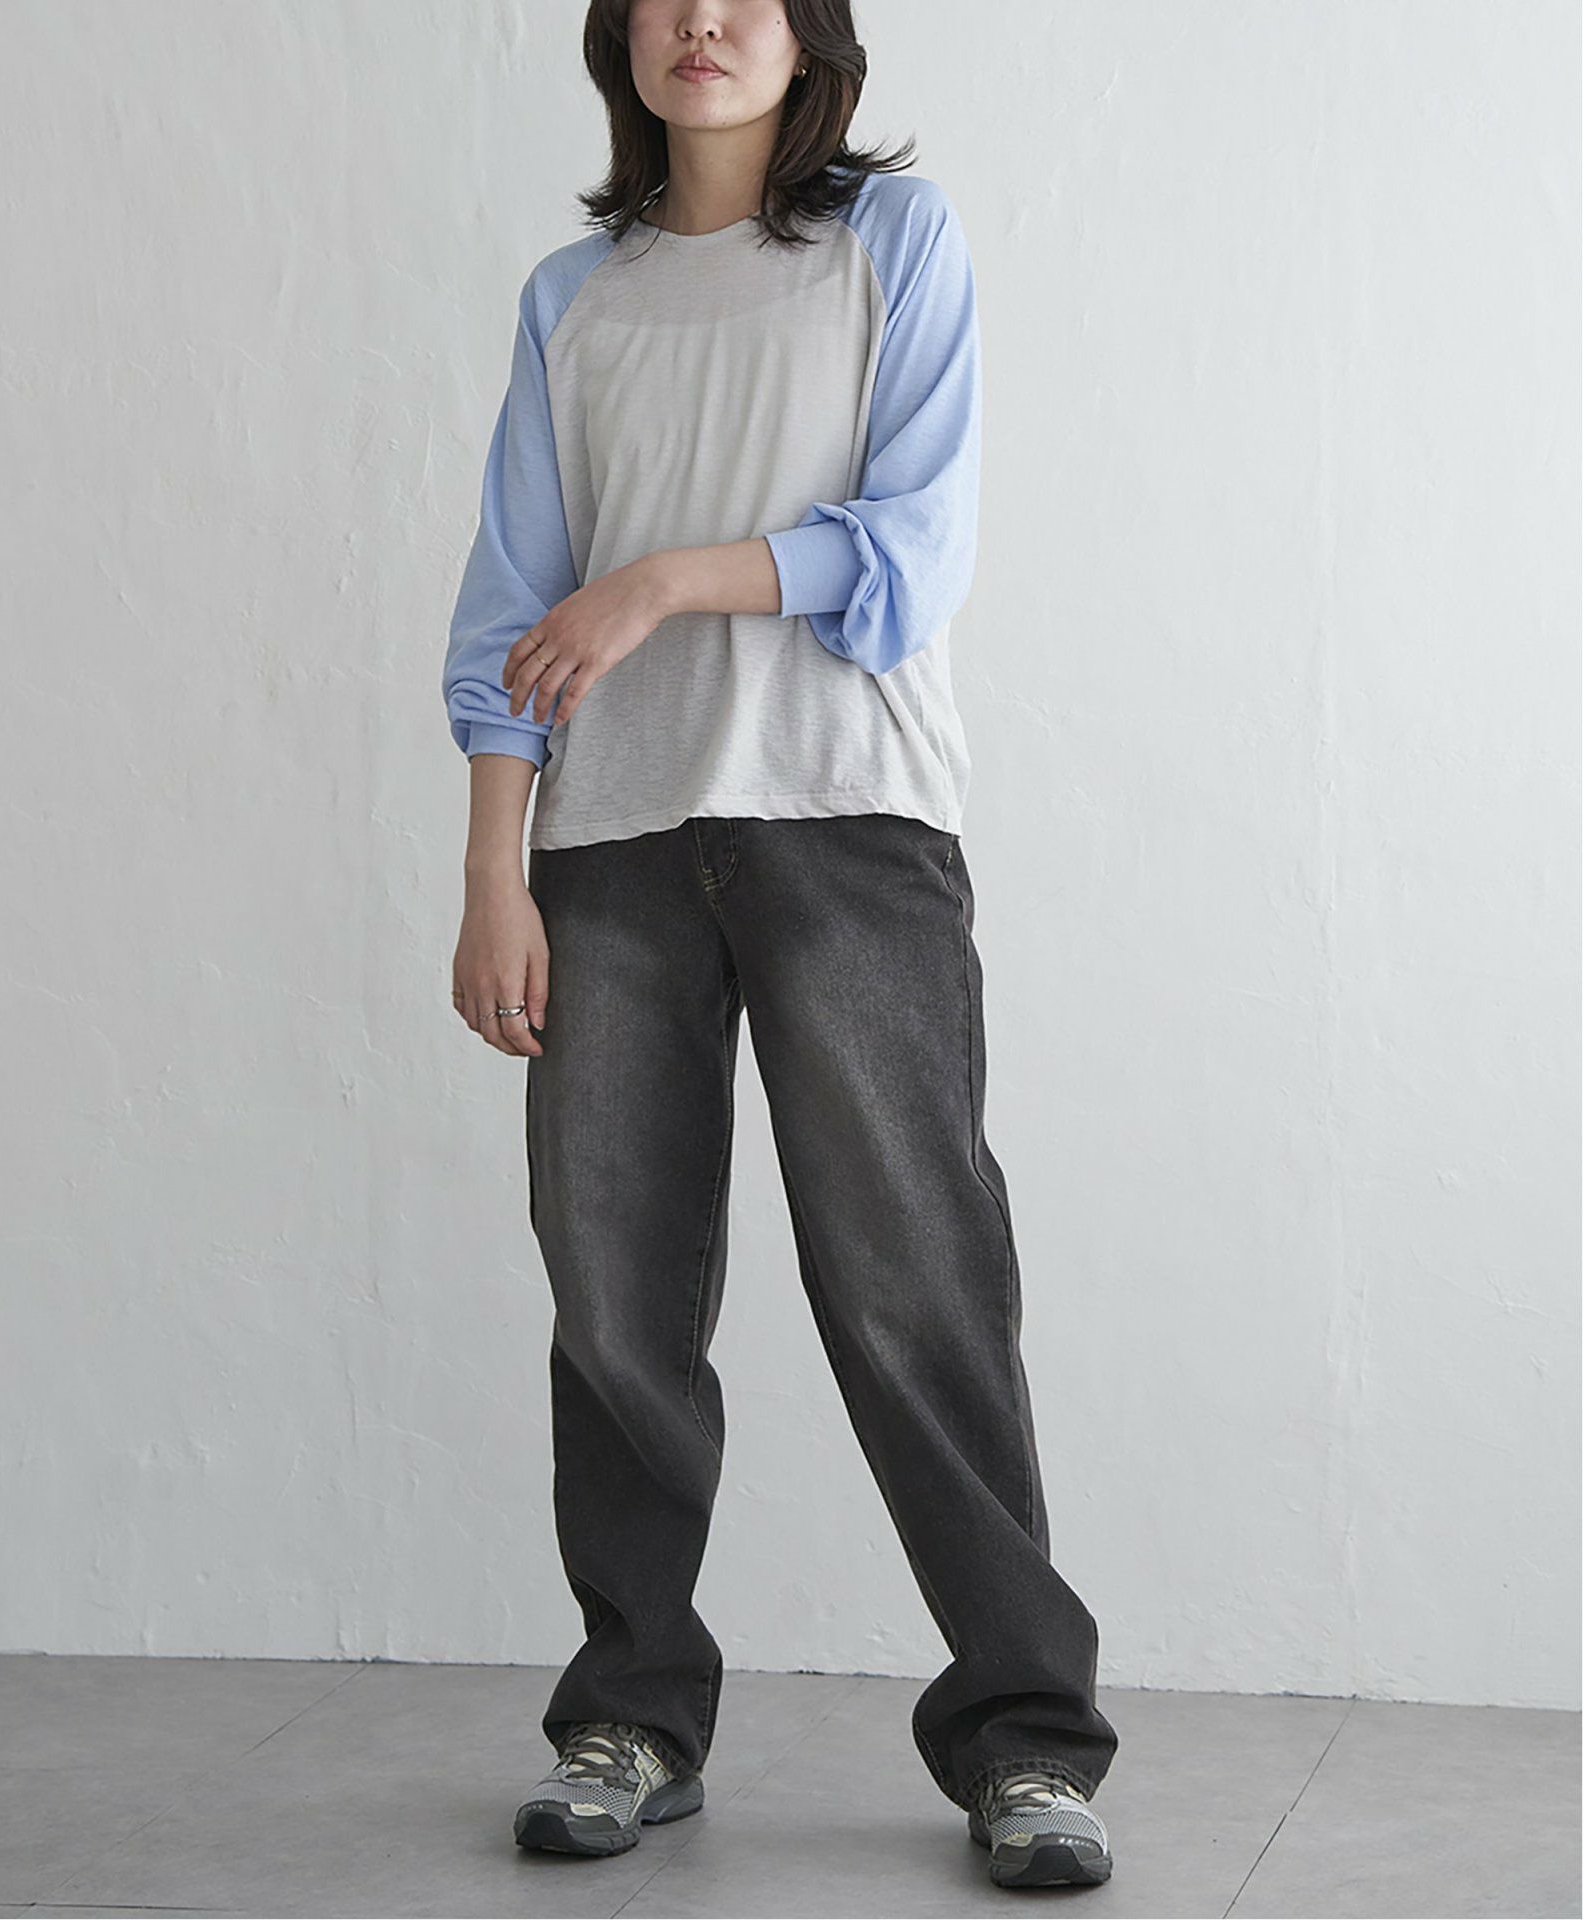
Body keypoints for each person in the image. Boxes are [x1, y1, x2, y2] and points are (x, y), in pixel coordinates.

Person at [442, 0, 1119, 1891]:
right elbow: (509, 614)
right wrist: (493, 870)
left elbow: (912, 549)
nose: (703, 20)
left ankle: (1029, 1740)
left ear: (809, 35)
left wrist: (666, 578)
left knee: (916, 1283)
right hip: (607, 849)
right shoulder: (573, 298)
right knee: (617, 1302)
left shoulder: (893, 244)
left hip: (850, 824)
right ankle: (629, 1716)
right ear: (622, 37)